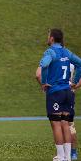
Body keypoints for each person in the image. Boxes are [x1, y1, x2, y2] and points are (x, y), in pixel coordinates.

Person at [37, 29, 81, 161]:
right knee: (66, 124)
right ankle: (68, 157)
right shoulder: (67, 52)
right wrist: (73, 82)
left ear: (51, 38)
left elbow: (44, 65)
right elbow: (80, 63)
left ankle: (60, 156)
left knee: (56, 124)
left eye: (48, 35)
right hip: (68, 92)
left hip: (55, 92)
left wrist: (44, 83)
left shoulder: (50, 52)